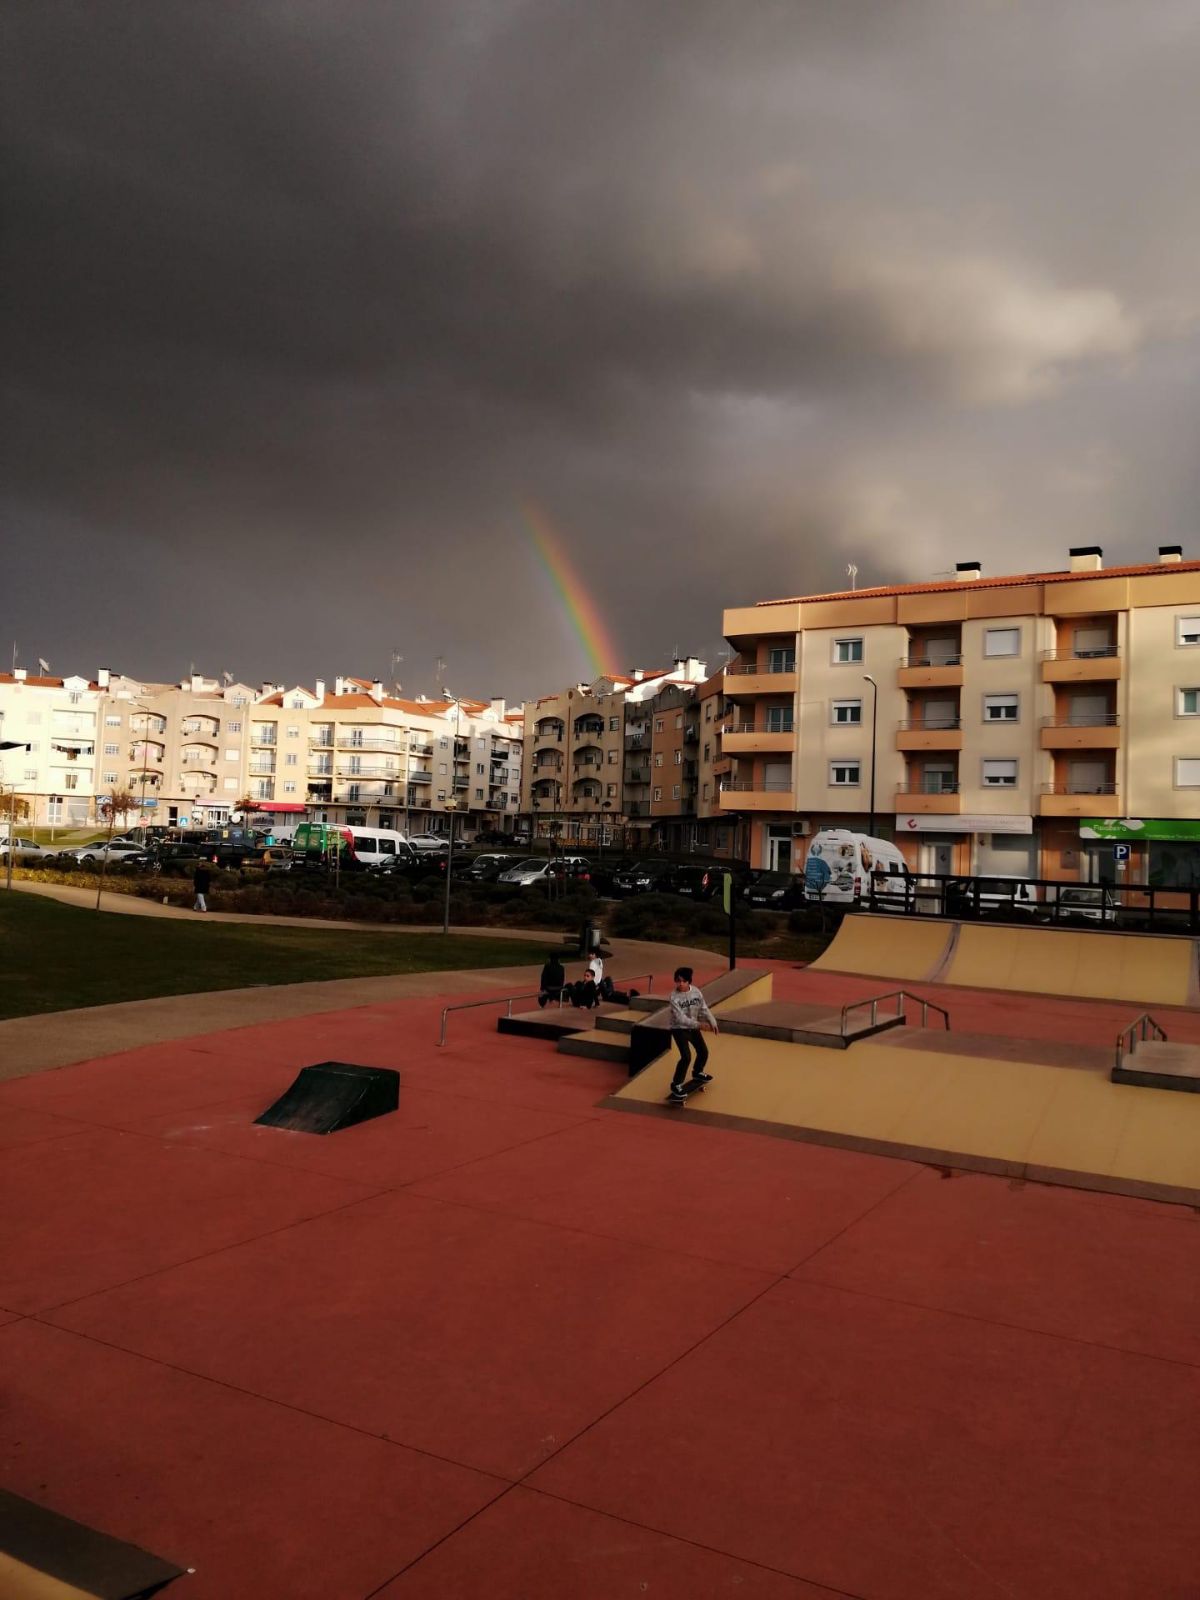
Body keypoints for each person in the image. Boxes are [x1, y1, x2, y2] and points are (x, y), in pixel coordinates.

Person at [667, 966, 718, 1100]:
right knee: (686, 1057)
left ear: (689, 981)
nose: (680, 984)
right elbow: (680, 1019)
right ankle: (676, 1084)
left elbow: (704, 1008)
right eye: (678, 981)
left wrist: (712, 1021)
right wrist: (699, 1025)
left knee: (703, 1051)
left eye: (683, 981)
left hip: (693, 1027)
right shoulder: (673, 997)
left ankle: (697, 1072)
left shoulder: (696, 992)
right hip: (678, 1028)